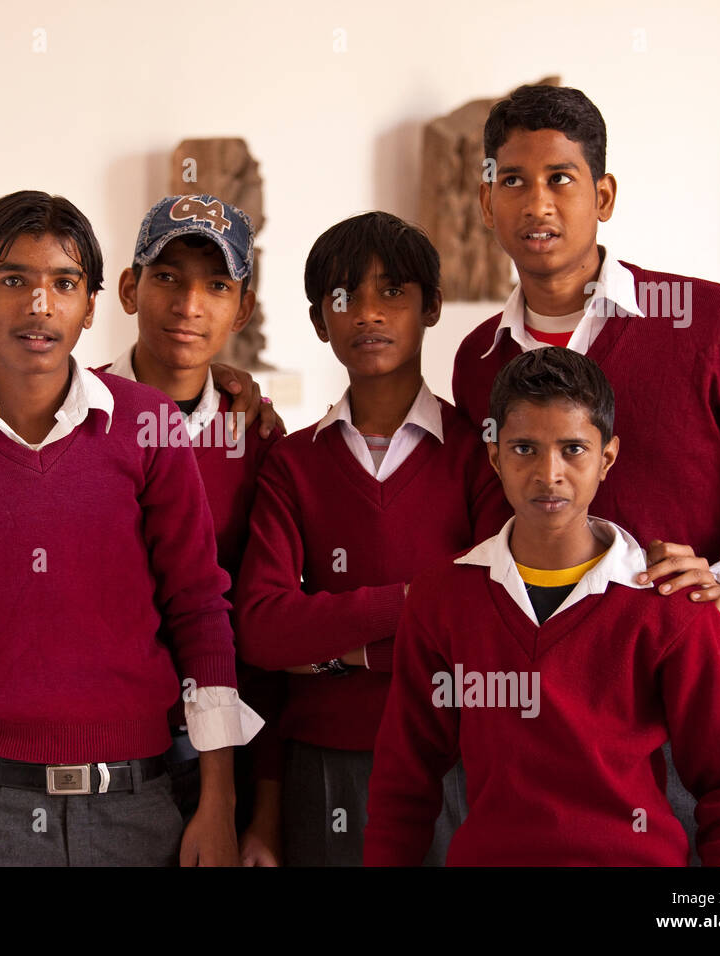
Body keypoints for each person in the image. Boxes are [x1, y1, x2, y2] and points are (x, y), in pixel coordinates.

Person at [449, 84, 720, 860]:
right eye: (511, 180)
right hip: (539, 712)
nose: (536, 202)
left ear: (604, 194)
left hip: (689, 698)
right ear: (486, 202)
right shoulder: (478, 359)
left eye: (561, 178)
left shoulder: (712, 323)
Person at [0, 190, 260, 867]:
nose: (39, 305)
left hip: (138, 804)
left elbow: (198, 610)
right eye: (14, 279)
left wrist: (217, 801)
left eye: (64, 283)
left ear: (91, 306)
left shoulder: (150, 424)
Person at [365, 347, 720, 866]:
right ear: (494, 457)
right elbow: (405, 777)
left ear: (607, 457)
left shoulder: (669, 606)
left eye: (573, 449)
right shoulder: (442, 599)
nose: (548, 473)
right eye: (524, 449)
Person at [234, 211, 507, 866]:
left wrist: (332, 657)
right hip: (323, 766)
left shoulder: (480, 456)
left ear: (432, 307)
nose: (367, 313)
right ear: (317, 320)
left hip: (455, 760)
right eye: (343, 297)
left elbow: (491, 627)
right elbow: (265, 630)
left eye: (393, 292)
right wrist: (421, 601)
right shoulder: (293, 463)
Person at [104, 194, 287, 865]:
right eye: (168, 277)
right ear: (130, 288)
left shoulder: (256, 435)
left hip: (224, 751)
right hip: (107, 753)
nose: (189, 306)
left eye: (216, 286)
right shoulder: (75, 414)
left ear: (241, 310)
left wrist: (258, 812)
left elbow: (265, 635)